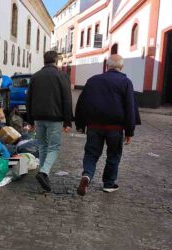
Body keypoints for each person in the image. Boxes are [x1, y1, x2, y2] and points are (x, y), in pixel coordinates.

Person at [75, 54, 141, 196]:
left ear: (107, 66)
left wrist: (80, 124)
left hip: (94, 126)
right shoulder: (126, 82)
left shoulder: (93, 80)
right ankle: (109, 184)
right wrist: (130, 131)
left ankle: (87, 175)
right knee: (113, 155)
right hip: (115, 129)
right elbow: (130, 107)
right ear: (121, 67)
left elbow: (82, 103)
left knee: (91, 154)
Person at [26, 50, 73, 192]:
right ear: (56, 61)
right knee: (54, 147)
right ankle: (44, 172)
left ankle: (43, 174)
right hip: (55, 118)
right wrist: (68, 121)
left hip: (38, 117)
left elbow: (29, 99)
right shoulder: (62, 76)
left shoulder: (35, 76)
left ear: (44, 61)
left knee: (43, 146)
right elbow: (67, 99)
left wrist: (30, 120)